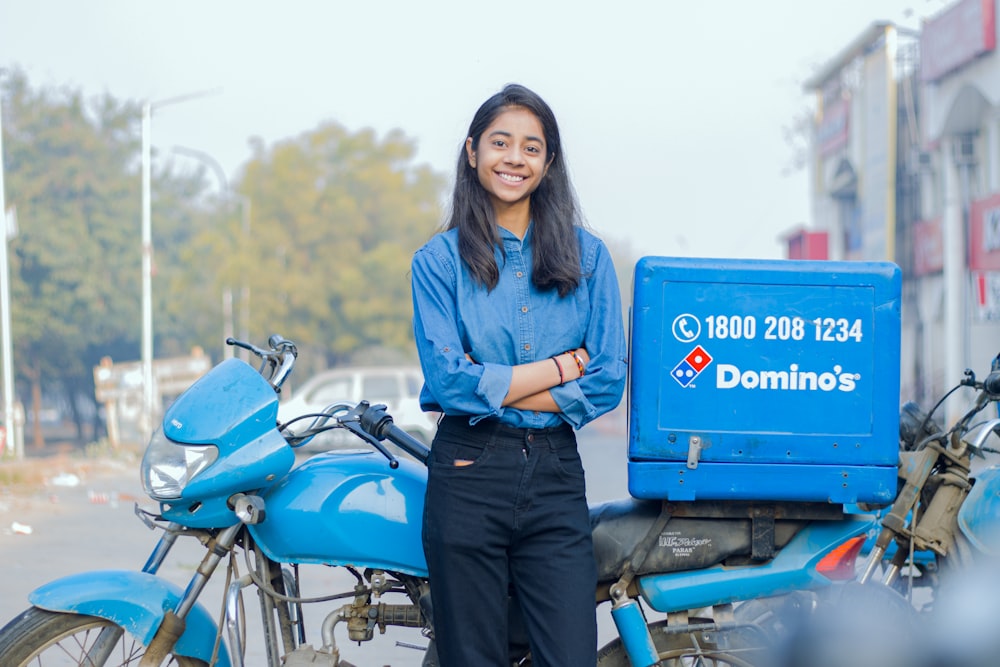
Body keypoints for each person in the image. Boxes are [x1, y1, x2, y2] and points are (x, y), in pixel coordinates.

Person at [410, 83, 628, 667]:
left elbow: (607, 378)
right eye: (500, 143)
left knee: (569, 656)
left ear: (548, 162)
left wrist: (500, 383)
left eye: (531, 148)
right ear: (472, 151)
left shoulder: (588, 258)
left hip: (556, 474)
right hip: (468, 472)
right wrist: (559, 367)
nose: (515, 158)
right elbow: (451, 382)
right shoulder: (438, 262)